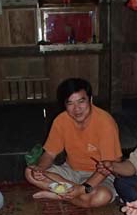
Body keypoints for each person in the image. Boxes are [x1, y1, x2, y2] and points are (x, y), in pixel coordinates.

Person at [25, 78, 122, 208]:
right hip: (71, 172)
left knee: (102, 196)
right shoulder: (61, 120)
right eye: (70, 103)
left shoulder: (105, 123)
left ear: (90, 100)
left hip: (101, 176)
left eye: (81, 101)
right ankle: (74, 195)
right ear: (64, 105)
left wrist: (83, 189)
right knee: (30, 172)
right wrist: (41, 168)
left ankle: (61, 195)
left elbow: (108, 167)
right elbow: (50, 154)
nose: (77, 109)